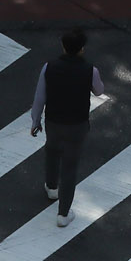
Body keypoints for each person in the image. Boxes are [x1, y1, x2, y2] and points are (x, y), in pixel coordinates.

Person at [29, 29, 104, 228]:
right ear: (82, 49)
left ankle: (51, 187)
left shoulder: (49, 67)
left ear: (63, 46)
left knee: (52, 151)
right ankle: (63, 214)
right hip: (77, 125)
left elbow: (39, 98)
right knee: (70, 167)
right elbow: (99, 91)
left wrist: (36, 121)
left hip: (53, 121)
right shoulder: (90, 70)